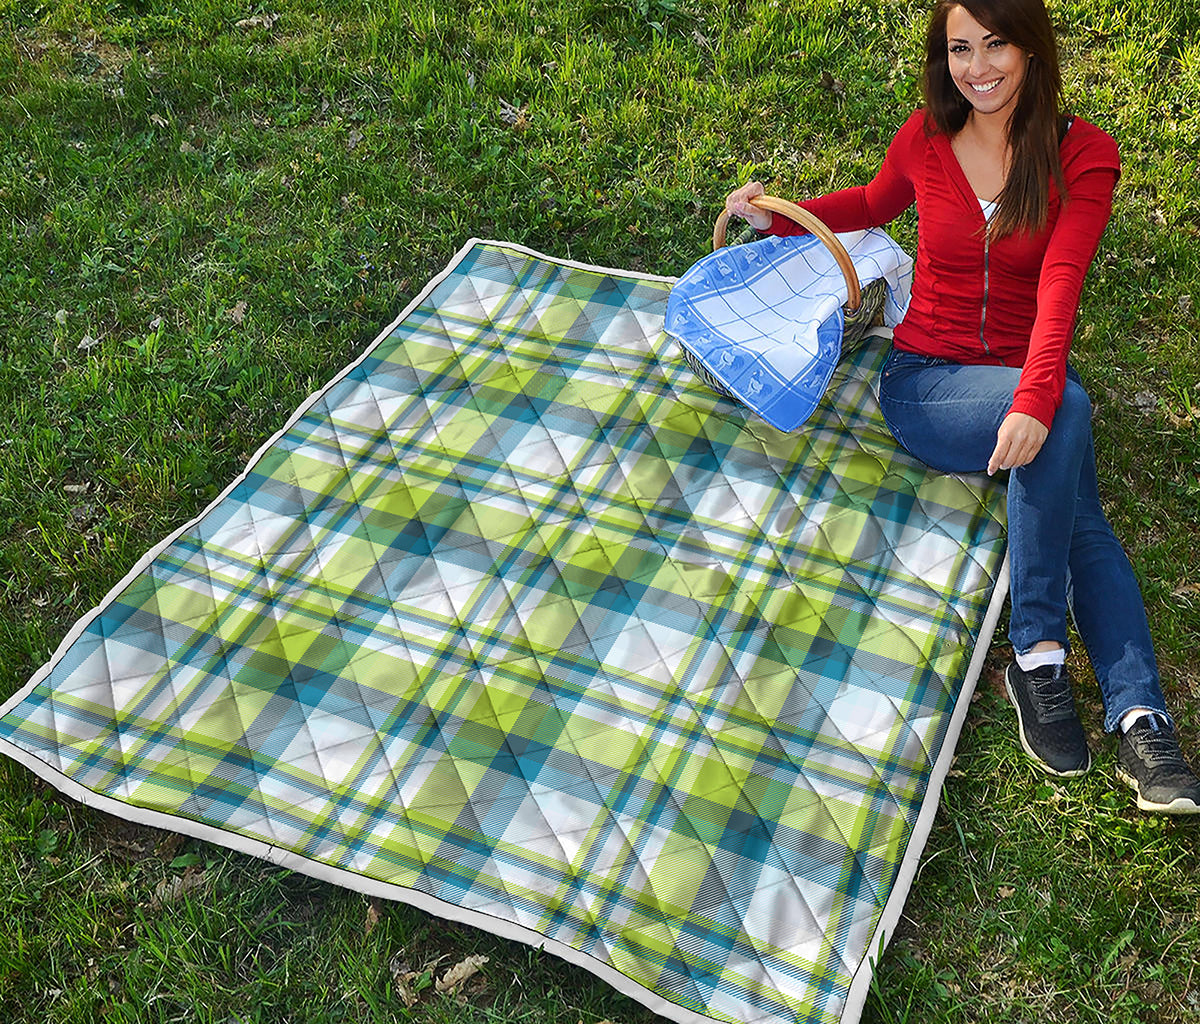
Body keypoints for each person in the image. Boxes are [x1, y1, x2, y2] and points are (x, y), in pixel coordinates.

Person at [725, 0, 1200, 814]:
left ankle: (1133, 713)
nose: (977, 67)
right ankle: (1046, 656)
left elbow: (1061, 284)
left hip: (1019, 376)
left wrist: (1036, 396)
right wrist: (779, 221)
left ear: (1031, 48)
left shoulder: (1083, 156)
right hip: (927, 383)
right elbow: (873, 204)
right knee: (1069, 419)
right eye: (959, 48)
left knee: (1073, 477)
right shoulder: (926, 137)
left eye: (996, 45)